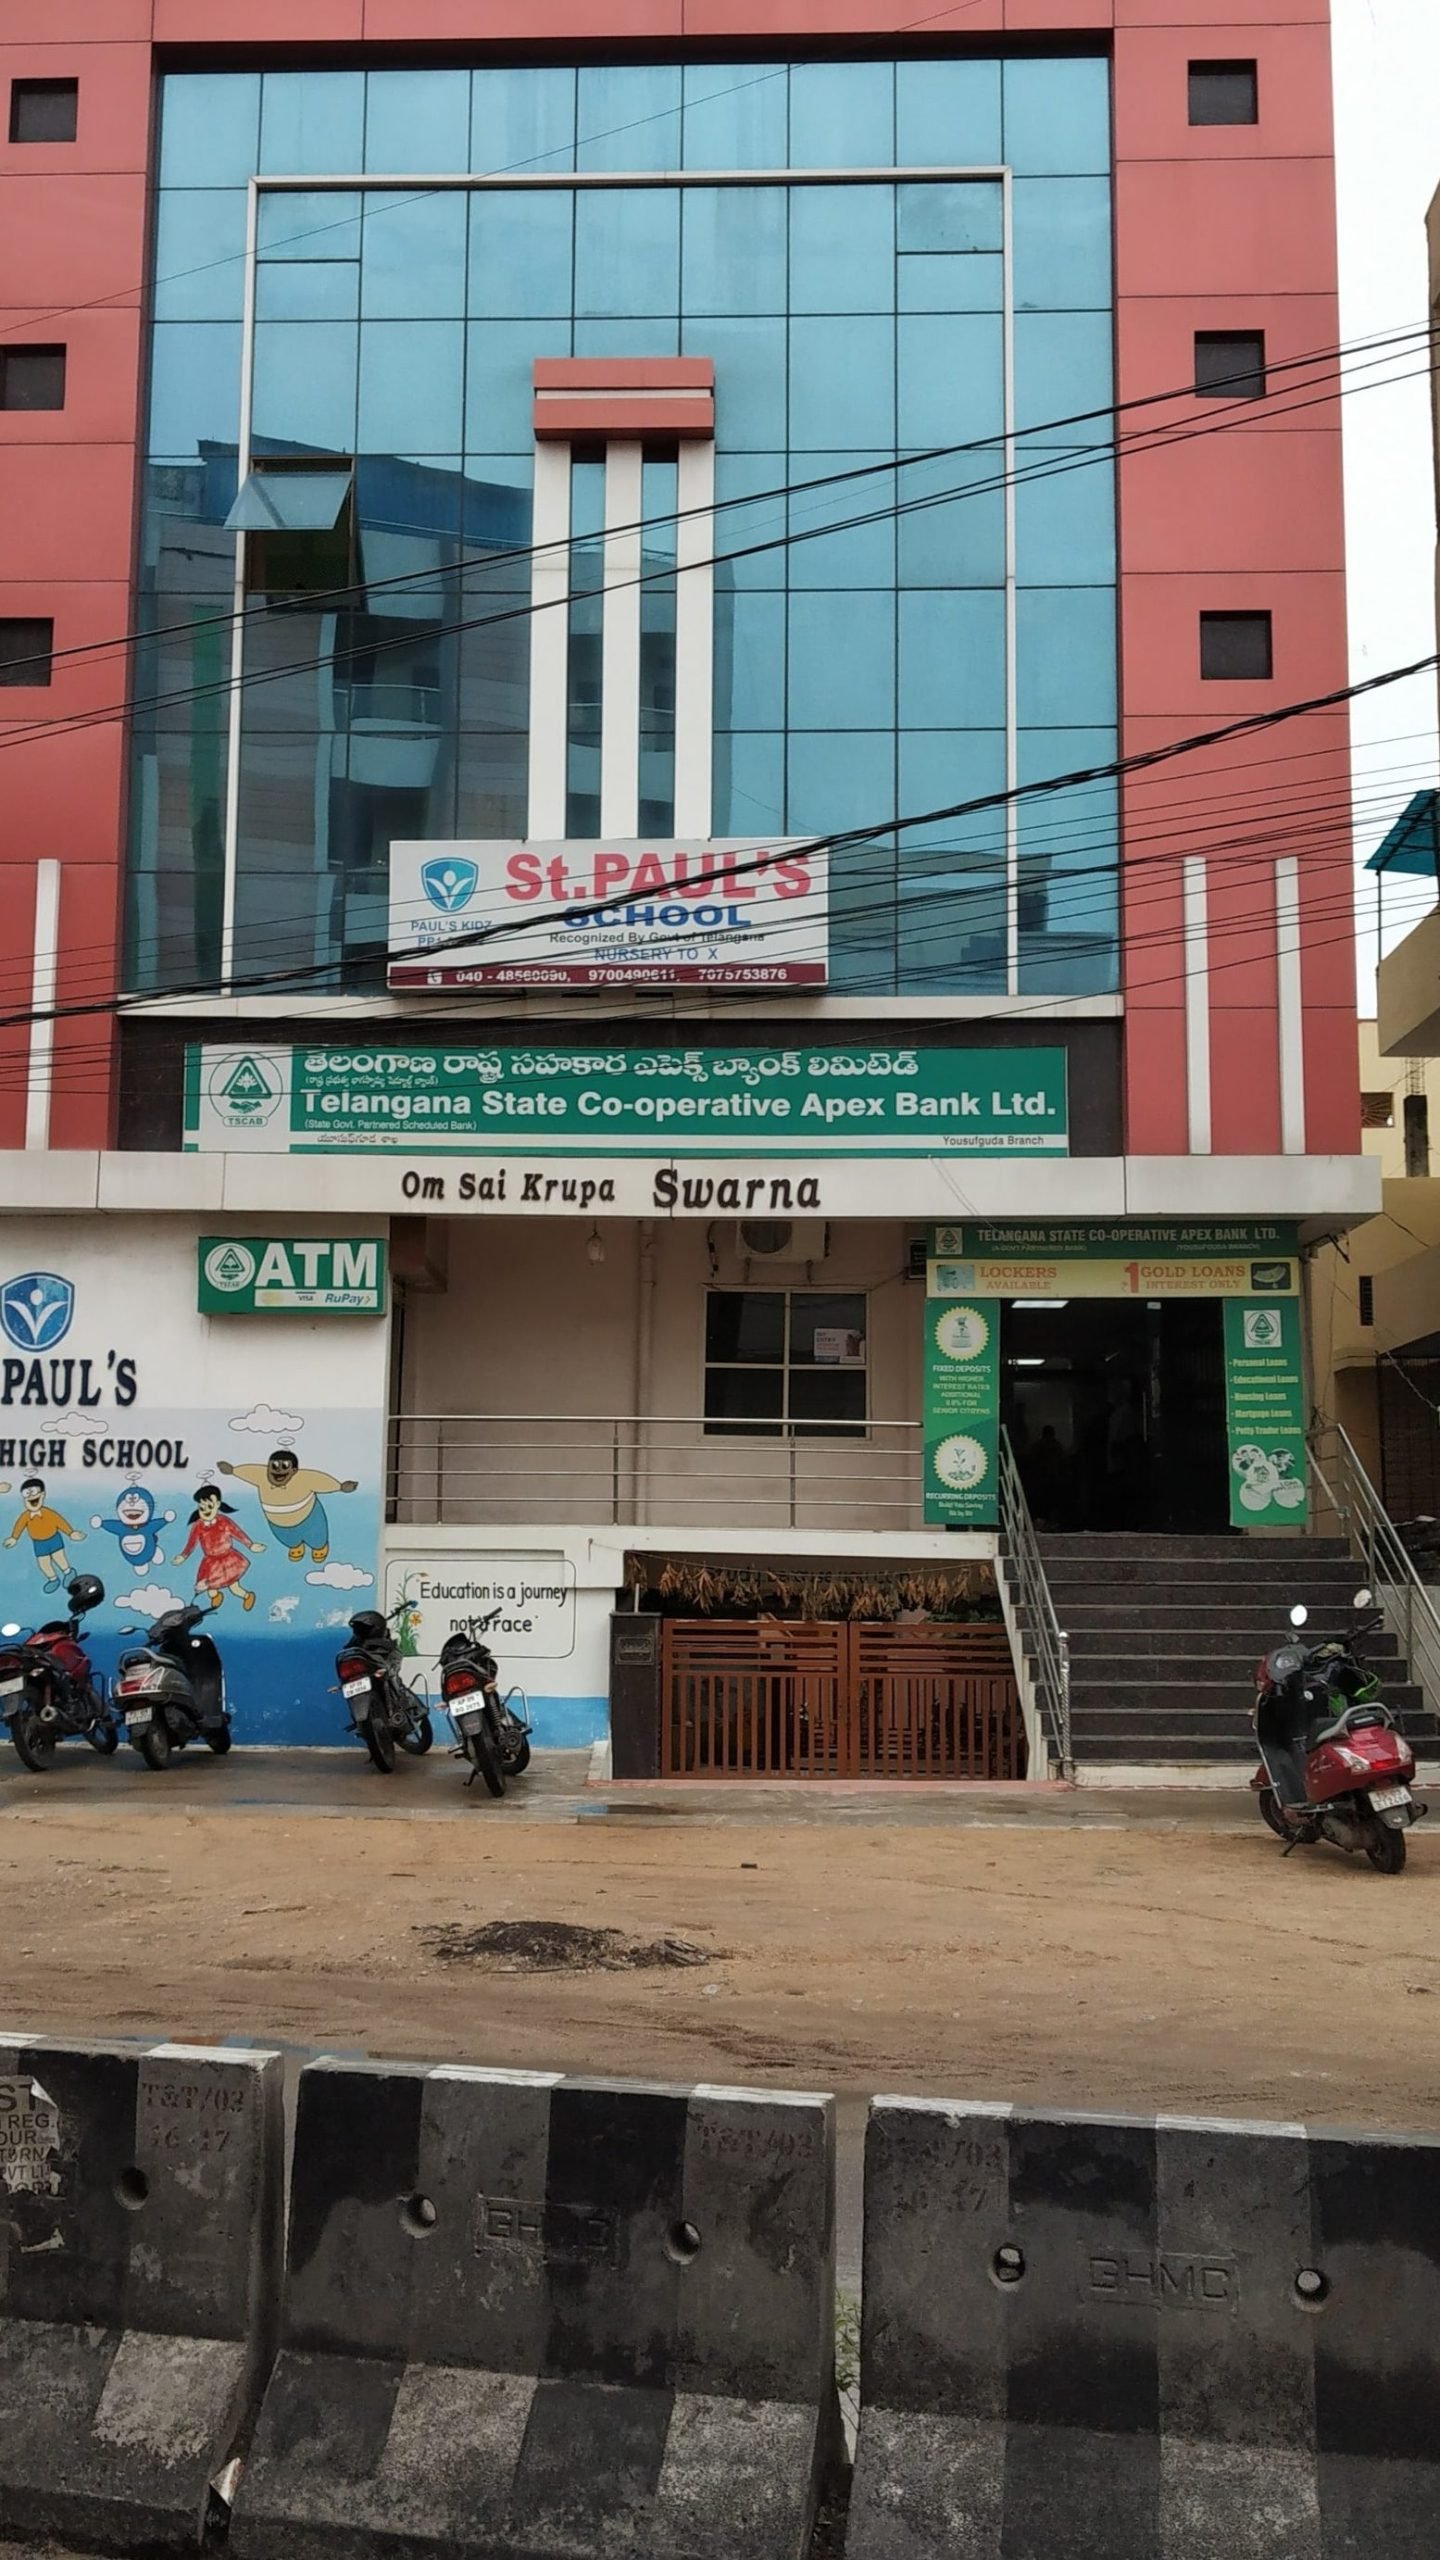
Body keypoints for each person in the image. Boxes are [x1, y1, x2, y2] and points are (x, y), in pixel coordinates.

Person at [218, 1448, 358, 1564]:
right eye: (274, 1467)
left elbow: (322, 1481)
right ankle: (295, 1546)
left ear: (294, 1470)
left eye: (284, 1467)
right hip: (277, 1521)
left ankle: (319, 1547)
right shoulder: (260, 1475)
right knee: (286, 1537)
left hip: (308, 1516)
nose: (278, 1471)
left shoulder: (305, 1478)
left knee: (317, 1536)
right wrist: (232, 1470)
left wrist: (340, 1486)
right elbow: (248, 1471)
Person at [174, 1485, 262, 1611]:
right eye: (202, 1507)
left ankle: (247, 1596)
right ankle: (216, 1596)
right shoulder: (198, 1526)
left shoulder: (224, 1521)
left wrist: (250, 1545)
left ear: (218, 1504)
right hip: (210, 1562)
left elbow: (238, 1533)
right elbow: (191, 1544)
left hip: (228, 1559)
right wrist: (183, 1556)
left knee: (233, 1586)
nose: (206, 1510)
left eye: (210, 1506)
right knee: (210, 1589)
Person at [4, 1478, 83, 1589]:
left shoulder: (48, 1513)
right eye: (27, 1494)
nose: (31, 1497)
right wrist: (14, 1538)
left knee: (59, 1558)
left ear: (42, 1495)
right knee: (43, 1564)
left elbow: (60, 1521)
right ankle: (53, 1579)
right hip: (38, 1543)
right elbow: (19, 1526)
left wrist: (70, 1533)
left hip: (53, 1538)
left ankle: (68, 1572)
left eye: (34, 1492)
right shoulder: (25, 1516)